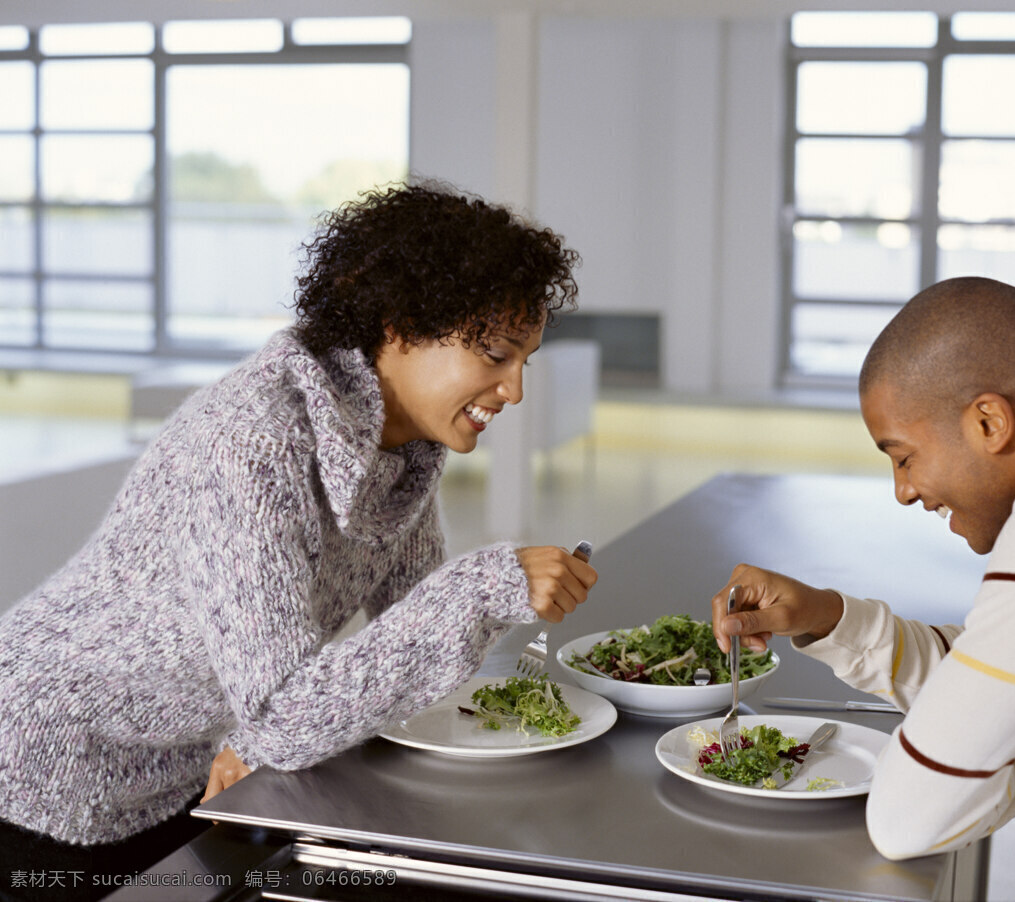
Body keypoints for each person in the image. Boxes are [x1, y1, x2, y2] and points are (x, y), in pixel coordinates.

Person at [0, 181, 598, 899]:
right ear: (401, 327)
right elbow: (291, 708)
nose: (515, 391)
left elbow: (409, 635)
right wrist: (485, 586)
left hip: (177, 757)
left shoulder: (399, 447)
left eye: (524, 361)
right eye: (497, 355)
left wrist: (491, 598)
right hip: (44, 773)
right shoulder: (255, 438)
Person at [711, 276, 1015, 861]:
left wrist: (1014, 773)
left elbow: (905, 819)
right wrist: (827, 616)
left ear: (989, 422)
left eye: (904, 457)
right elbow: (994, 662)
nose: (904, 491)